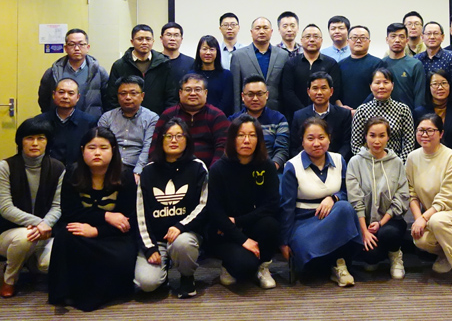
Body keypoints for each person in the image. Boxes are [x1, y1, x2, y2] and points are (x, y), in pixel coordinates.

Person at [48, 127, 137, 311]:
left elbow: (128, 219)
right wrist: (105, 215)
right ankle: (65, 293)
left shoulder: (126, 175)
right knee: (65, 235)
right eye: (91, 147)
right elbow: (69, 212)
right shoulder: (72, 172)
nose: (97, 153)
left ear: (113, 150)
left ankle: (97, 294)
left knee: (119, 259)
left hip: (114, 235)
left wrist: (97, 231)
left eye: (104, 148)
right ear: (82, 150)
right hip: (82, 228)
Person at [280, 118, 362, 287]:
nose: (316, 143)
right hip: (304, 221)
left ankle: (339, 264)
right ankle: (330, 263)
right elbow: (287, 207)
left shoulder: (339, 160)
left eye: (321, 137)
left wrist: (333, 198)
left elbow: (347, 191)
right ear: (302, 141)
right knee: (304, 248)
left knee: (345, 208)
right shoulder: (292, 166)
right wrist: (284, 241)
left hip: (333, 216)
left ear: (329, 139)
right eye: (310, 138)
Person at [134, 118, 209, 299]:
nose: (173, 140)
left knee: (182, 244)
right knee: (146, 283)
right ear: (161, 140)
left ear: (187, 139)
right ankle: (162, 275)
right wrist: (149, 247)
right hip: (157, 239)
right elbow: (140, 214)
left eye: (179, 136)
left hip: (186, 235)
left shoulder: (198, 167)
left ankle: (186, 276)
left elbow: (204, 204)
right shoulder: (148, 171)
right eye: (168, 136)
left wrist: (181, 226)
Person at [406, 114, 452, 293]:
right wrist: (418, 219)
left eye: (430, 130)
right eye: (421, 130)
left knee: (438, 220)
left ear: (441, 133)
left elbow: (448, 198)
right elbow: (411, 193)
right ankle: (447, 254)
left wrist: (425, 218)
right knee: (420, 239)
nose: (424, 134)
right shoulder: (413, 158)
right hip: (433, 215)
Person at [207, 115, 280, 289]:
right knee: (244, 267)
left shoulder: (267, 166)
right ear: (232, 139)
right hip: (224, 231)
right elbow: (215, 211)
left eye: (252, 135)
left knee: (270, 224)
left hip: (251, 224)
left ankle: (264, 267)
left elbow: (271, 205)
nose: (246, 140)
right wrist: (242, 239)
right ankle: (228, 267)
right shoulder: (218, 169)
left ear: (259, 139)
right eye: (241, 135)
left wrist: (239, 221)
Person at [0, 118, 64, 298]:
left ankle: (26, 261)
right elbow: (5, 207)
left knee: (46, 265)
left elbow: (58, 206)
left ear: (47, 142)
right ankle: (10, 278)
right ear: (20, 141)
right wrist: (39, 223)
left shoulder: (58, 168)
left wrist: (45, 225)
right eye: (29, 138)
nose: (35, 143)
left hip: (45, 232)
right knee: (25, 238)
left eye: (41, 138)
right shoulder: (5, 167)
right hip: (11, 233)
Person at [346, 117, 409, 279]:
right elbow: (355, 199)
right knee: (370, 256)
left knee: (389, 234)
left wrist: (381, 222)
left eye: (382, 136)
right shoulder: (355, 162)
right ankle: (377, 255)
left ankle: (395, 255)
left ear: (388, 137)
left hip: (390, 220)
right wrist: (365, 231)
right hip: (364, 221)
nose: (377, 141)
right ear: (365, 136)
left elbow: (402, 196)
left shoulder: (397, 162)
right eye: (372, 135)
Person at [150, 74, 230, 167]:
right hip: (170, 169)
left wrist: (212, 172)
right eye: (188, 90)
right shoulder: (168, 115)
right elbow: (156, 146)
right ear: (180, 93)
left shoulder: (217, 116)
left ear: (206, 93)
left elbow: (223, 147)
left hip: (208, 170)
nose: (192, 93)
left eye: (197, 89)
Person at [107, 24, 178, 116]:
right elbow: (112, 97)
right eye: (140, 39)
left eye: (148, 39)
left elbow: (171, 96)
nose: (144, 42)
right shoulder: (120, 65)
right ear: (132, 41)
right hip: (126, 118)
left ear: (153, 41)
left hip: (158, 117)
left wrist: (167, 119)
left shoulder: (164, 63)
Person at [38, 28, 108, 120]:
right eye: (72, 44)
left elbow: (107, 101)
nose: (77, 48)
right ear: (66, 48)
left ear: (88, 47)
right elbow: (44, 100)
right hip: (59, 122)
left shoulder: (99, 72)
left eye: (81, 44)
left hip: (91, 123)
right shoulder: (53, 72)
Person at [98, 75, 158, 176]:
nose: (128, 97)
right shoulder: (107, 117)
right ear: (117, 96)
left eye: (133, 93)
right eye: (123, 93)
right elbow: (100, 145)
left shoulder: (152, 118)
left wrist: (138, 171)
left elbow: (148, 147)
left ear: (142, 96)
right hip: (110, 167)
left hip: (137, 168)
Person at [351, 68, 414, 163]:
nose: (381, 86)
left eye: (386, 82)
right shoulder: (362, 111)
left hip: (396, 163)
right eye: (377, 83)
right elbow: (355, 145)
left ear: (392, 85)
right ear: (371, 86)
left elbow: (409, 143)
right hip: (368, 164)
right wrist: (369, 162)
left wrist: (398, 163)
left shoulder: (403, 109)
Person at [229, 75, 289, 171]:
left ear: (267, 95)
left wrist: (270, 170)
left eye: (259, 94)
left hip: (270, 170)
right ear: (243, 96)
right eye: (250, 94)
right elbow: (229, 148)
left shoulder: (279, 119)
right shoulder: (233, 121)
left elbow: (282, 150)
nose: (255, 99)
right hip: (239, 170)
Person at [281, 24, 342, 119]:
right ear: (301, 41)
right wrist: (304, 113)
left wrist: (319, 111)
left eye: (316, 37)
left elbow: (334, 91)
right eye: (308, 36)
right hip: (297, 116)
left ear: (321, 40)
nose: (312, 40)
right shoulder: (291, 63)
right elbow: (288, 92)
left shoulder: (331, 64)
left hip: (325, 116)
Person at [230, 17, 289, 112]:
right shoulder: (238, 56)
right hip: (247, 112)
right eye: (257, 28)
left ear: (271, 31)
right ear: (251, 32)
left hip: (275, 111)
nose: (261, 31)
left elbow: (286, 89)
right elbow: (235, 90)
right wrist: (237, 114)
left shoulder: (283, 55)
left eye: (265, 28)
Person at [34, 78, 97, 168]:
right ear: (54, 95)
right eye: (61, 92)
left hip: (78, 171)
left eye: (70, 93)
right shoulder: (40, 121)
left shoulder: (89, 122)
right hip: (48, 170)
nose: (65, 96)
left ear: (78, 97)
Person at [414, 70, 452, 167]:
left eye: (444, 83)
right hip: (426, 165)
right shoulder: (419, 113)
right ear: (428, 87)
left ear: (450, 85)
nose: (440, 87)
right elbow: (416, 145)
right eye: (435, 84)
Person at [290, 72, 352, 161]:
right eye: (315, 88)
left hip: (336, 164)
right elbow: (294, 147)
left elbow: (347, 145)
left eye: (323, 88)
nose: (319, 92)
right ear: (308, 92)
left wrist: (335, 161)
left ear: (331, 91)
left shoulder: (344, 114)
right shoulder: (299, 116)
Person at [415, 21, 452, 104]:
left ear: (442, 37)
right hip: (422, 107)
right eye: (428, 34)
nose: (432, 37)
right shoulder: (416, 59)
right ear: (422, 37)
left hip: (447, 106)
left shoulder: (451, 57)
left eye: (436, 33)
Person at [339, 26, 385, 110]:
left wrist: (360, 110)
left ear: (369, 41)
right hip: (344, 112)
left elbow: (378, 89)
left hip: (371, 111)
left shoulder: (377, 63)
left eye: (363, 38)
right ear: (348, 41)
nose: (358, 41)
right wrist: (341, 107)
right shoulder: (340, 64)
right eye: (354, 37)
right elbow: (336, 89)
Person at [382, 22, 426, 111]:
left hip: (407, 115)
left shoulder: (415, 65)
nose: (397, 40)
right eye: (393, 36)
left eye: (401, 37)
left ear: (407, 40)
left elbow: (419, 97)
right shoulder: (381, 64)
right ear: (387, 40)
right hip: (383, 115)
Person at [192, 34, 234, 116]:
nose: (208, 53)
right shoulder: (192, 75)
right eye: (204, 49)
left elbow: (226, 102)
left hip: (220, 118)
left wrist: (214, 116)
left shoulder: (226, 75)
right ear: (199, 52)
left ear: (217, 52)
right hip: (196, 117)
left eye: (211, 49)